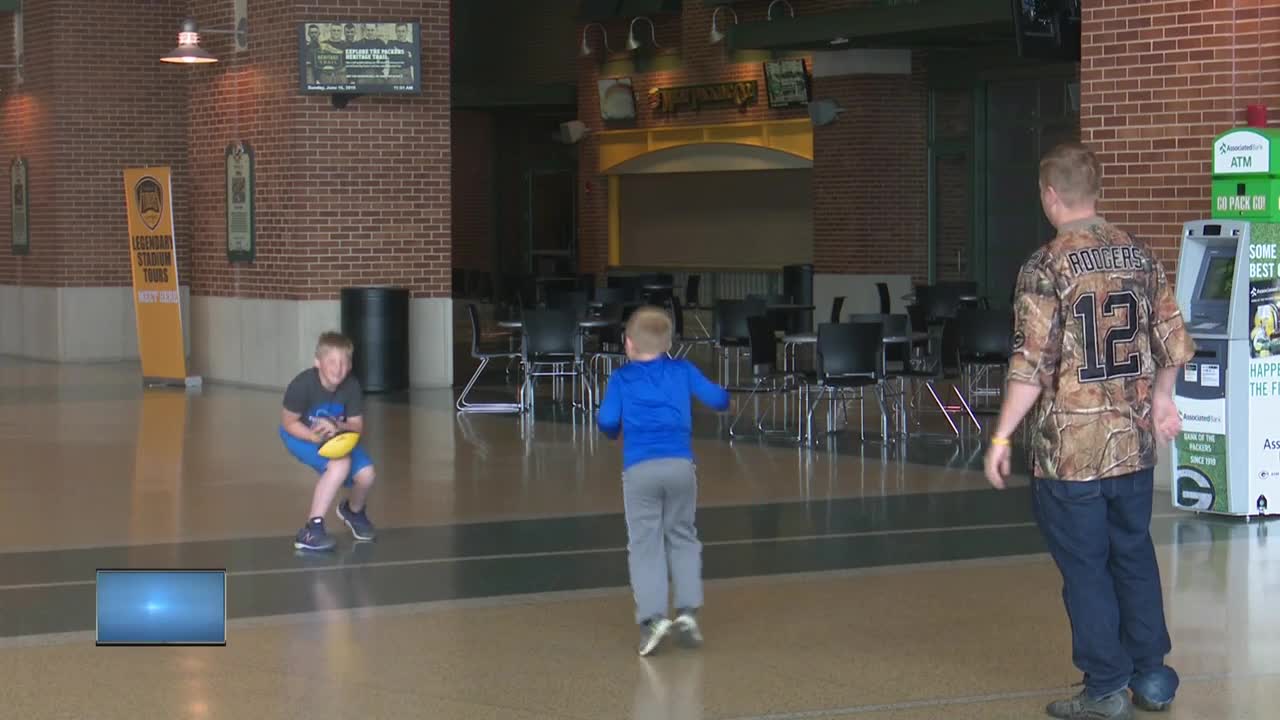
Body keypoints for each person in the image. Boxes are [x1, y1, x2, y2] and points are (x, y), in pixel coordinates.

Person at [984, 142, 1195, 720]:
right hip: (1132, 446)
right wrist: (1161, 399)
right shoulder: (1140, 255)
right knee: (1133, 555)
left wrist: (1001, 437)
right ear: (1094, 191)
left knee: (1086, 567)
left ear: (1051, 195)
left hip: (1069, 455)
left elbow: (1031, 364)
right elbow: (1175, 340)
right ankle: (1152, 677)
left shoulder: (1044, 266)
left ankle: (1104, 685)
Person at [597, 306, 730, 656]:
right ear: (669, 343)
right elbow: (718, 399)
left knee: (645, 543)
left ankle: (654, 619)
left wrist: (613, 433)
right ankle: (687, 612)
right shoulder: (682, 369)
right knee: (683, 536)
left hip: (639, 469)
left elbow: (608, 419)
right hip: (679, 467)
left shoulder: (622, 379)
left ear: (628, 344)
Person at [280, 331, 378, 551]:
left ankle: (353, 511)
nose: (338, 368)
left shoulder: (351, 386)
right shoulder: (302, 385)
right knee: (340, 464)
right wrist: (312, 436)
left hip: (336, 437)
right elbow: (288, 422)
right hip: (299, 433)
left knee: (367, 475)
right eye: (331, 361)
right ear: (318, 362)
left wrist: (337, 426)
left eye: (344, 362)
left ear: (350, 365)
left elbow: (357, 427)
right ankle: (311, 529)